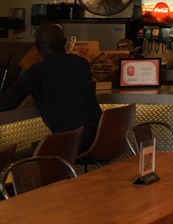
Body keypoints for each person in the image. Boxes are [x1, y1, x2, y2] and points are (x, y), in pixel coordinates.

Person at [0, 22, 102, 150]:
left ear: (37, 47)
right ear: (64, 42)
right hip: (101, 138)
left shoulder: (37, 72)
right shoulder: (82, 63)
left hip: (71, 144)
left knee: (22, 153)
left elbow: (7, 103)